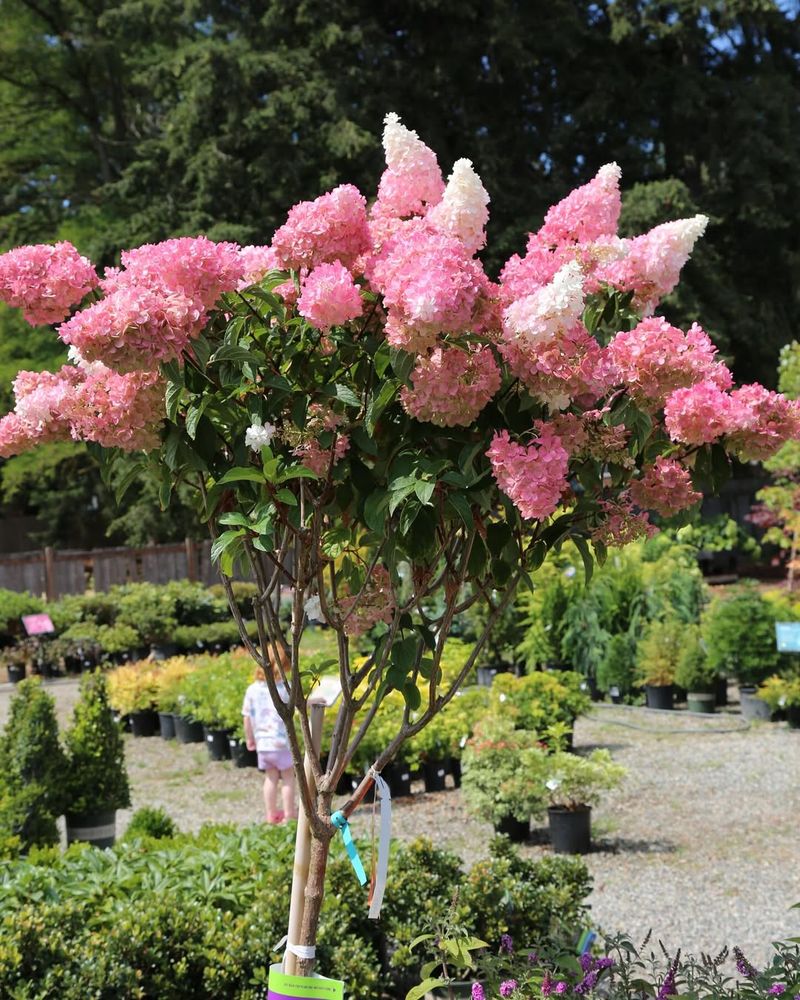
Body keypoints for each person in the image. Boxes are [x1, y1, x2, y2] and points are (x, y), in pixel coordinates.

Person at [242, 649, 297, 824]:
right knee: (288, 777)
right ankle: (289, 814)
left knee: (270, 778)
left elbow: (247, 717)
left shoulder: (252, 690)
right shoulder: (283, 689)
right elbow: (298, 705)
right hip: (282, 743)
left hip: (263, 744)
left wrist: (250, 738)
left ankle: (271, 814)